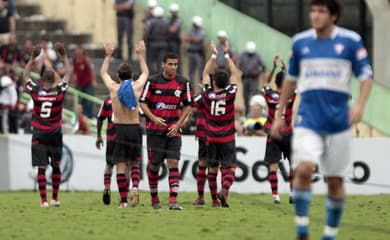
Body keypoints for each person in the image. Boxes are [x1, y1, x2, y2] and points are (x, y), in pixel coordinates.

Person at [270, 1, 373, 239]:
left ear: (334, 15)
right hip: (308, 119)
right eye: (313, 10)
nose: (315, 16)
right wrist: (279, 114)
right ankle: (303, 229)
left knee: (335, 181)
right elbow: (290, 80)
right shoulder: (300, 42)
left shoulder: (350, 41)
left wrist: (359, 105)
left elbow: (366, 76)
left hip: (338, 123)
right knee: (304, 169)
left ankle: (329, 234)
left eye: (321, 11)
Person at [139, 52, 193, 210]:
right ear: (163, 64)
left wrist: (178, 125)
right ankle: (155, 200)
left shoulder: (183, 83)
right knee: (154, 165)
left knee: (173, 162)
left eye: (176, 64)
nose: (173, 67)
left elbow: (188, 105)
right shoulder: (153, 81)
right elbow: (142, 102)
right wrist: (154, 118)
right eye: (170, 64)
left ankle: (173, 201)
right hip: (154, 131)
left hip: (173, 131)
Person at [100, 40, 148, 208]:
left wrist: (108, 55)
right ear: (132, 75)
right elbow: (146, 73)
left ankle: (123, 201)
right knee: (135, 162)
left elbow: (103, 73)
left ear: (118, 76)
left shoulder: (114, 88)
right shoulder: (136, 87)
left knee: (121, 165)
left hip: (119, 129)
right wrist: (141, 55)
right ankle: (135, 186)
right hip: (135, 128)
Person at [23, 42, 71, 208]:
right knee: (56, 165)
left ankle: (44, 201)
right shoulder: (59, 92)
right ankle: (55, 198)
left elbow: (25, 77)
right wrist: (64, 57)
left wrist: (31, 58)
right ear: (54, 80)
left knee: (41, 168)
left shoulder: (36, 91)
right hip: (55, 133)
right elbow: (68, 75)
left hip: (39, 134)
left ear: (42, 80)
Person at [201, 40, 238, 208]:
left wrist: (214, 54)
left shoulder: (208, 94)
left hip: (211, 137)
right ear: (227, 83)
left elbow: (204, 74)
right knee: (229, 168)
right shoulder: (230, 93)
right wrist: (227, 54)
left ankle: (215, 201)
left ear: (214, 82)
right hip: (227, 137)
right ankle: (224, 190)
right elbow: (236, 74)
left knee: (213, 168)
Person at [264, 56, 296, 204]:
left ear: (275, 82)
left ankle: (275, 196)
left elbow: (265, 82)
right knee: (293, 164)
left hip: (273, 133)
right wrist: (286, 69)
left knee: (273, 166)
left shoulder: (269, 95)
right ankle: (292, 194)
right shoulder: (291, 95)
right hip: (288, 132)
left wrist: (273, 68)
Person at [96, 96, 116, 205]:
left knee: (109, 165)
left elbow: (100, 118)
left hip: (111, 138)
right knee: (125, 166)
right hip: (124, 138)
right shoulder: (130, 98)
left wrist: (99, 136)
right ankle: (124, 196)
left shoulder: (108, 100)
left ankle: (107, 186)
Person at [192, 93, 210, 206]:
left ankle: (200, 197)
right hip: (220, 134)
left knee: (203, 165)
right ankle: (217, 198)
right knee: (216, 167)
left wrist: (203, 90)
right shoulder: (224, 93)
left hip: (205, 133)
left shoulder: (204, 95)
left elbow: (190, 103)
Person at [239, 41, 265, 115]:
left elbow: (263, 67)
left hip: (254, 79)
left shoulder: (258, 56)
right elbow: (239, 65)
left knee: (255, 96)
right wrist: (243, 70)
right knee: (245, 96)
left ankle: (256, 114)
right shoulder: (243, 55)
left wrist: (258, 72)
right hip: (245, 78)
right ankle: (247, 113)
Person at [72, 45, 96, 118]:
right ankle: (79, 117)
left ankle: (90, 117)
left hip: (88, 83)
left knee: (89, 101)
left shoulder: (86, 59)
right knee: (79, 100)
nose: (78, 54)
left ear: (82, 53)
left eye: (79, 53)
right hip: (79, 83)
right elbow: (74, 70)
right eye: (76, 53)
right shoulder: (74, 60)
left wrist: (94, 80)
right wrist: (73, 77)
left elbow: (92, 69)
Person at [144, 6, 169, 75]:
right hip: (163, 44)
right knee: (161, 63)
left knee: (150, 62)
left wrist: (145, 42)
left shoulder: (150, 22)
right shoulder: (166, 22)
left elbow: (147, 32)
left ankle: (151, 78)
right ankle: (160, 80)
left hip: (152, 44)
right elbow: (168, 33)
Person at [184, 16, 206, 87]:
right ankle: (191, 89)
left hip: (198, 54)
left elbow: (198, 40)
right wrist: (193, 39)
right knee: (191, 73)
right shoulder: (191, 31)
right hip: (191, 53)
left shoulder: (202, 31)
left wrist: (191, 39)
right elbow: (186, 38)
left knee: (201, 73)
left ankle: (202, 89)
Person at [167, 3, 182, 73]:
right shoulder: (168, 19)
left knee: (175, 58)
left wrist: (166, 28)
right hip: (168, 41)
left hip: (175, 42)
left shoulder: (178, 20)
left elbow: (173, 30)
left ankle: (177, 73)